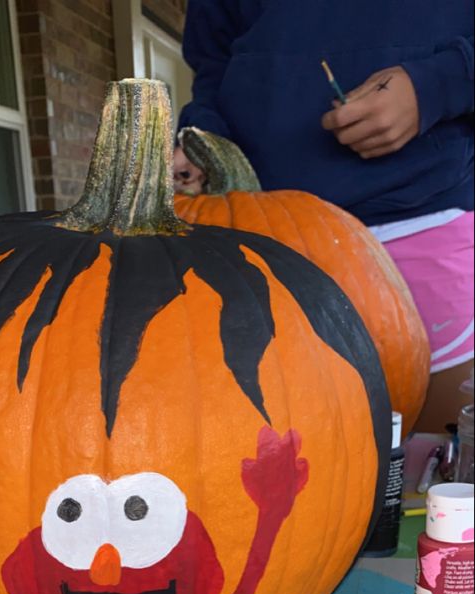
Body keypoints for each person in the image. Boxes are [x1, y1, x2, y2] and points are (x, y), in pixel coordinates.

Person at [174, 1, 474, 432]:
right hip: (257, 234)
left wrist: (436, 86)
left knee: (439, 477)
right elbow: (215, 64)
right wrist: (206, 138)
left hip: (425, 217)